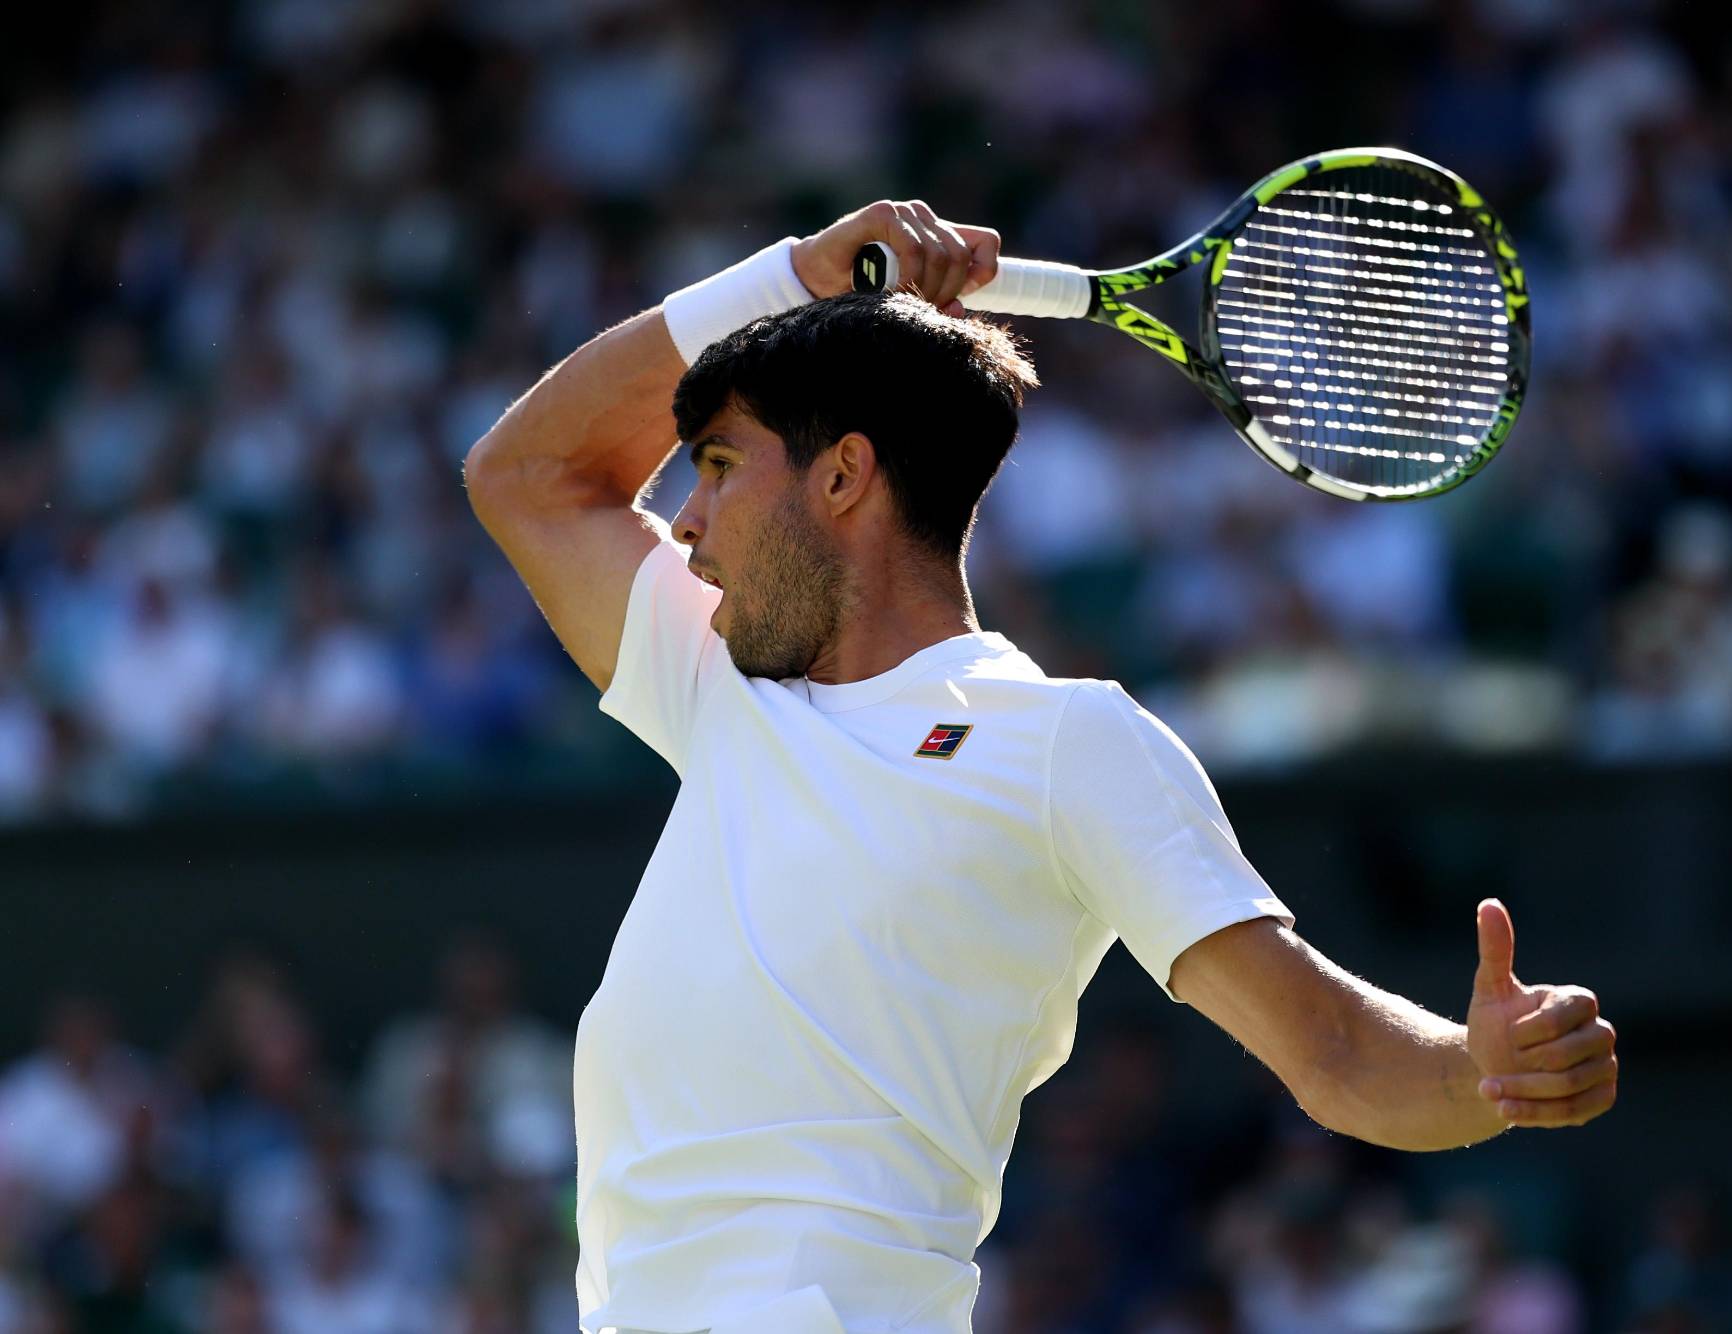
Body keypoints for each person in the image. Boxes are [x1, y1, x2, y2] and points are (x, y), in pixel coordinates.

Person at [464, 201, 1621, 1334]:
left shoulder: (1065, 741)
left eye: (716, 465)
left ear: (842, 477)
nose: (687, 519)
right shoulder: (724, 683)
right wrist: (786, 279)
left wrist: (1485, 1070)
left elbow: (1331, 1053)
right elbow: (523, 472)